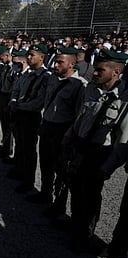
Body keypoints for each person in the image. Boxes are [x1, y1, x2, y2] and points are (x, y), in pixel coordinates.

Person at [64, 48, 128, 253]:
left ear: (116, 72)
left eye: (100, 70)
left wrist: (107, 168)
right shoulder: (92, 89)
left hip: (98, 154)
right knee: (75, 189)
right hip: (80, 146)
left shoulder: (124, 100)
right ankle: (75, 225)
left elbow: (123, 139)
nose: (94, 73)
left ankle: (85, 234)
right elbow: (81, 117)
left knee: (91, 196)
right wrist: (68, 140)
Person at [28, 47, 87, 207]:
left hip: (63, 130)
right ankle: (45, 193)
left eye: (60, 62)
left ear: (72, 64)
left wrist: (70, 136)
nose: (55, 65)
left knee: (61, 168)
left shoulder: (80, 86)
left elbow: (78, 115)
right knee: (45, 163)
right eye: (55, 61)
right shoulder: (53, 79)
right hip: (48, 126)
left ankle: (58, 204)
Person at [9, 43, 50, 193]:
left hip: (32, 116)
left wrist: (19, 106)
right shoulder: (26, 74)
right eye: (29, 54)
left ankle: (28, 180)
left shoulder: (46, 77)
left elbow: (39, 102)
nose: (29, 57)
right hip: (20, 112)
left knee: (29, 149)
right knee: (20, 143)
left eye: (32, 55)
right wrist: (13, 102)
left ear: (42, 57)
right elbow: (16, 89)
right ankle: (19, 170)